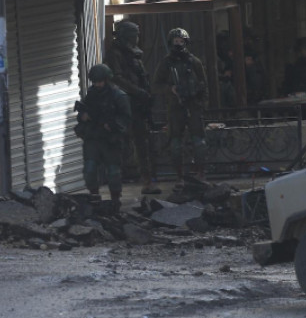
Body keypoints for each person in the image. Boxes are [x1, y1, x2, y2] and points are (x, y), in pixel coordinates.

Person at [104, 20, 161, 195]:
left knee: (143, 142)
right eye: (134, 35)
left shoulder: (133, 53)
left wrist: (144, 95)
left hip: (137, 105)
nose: (137, 38)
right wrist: (137, 92)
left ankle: (147, 180)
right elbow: (117, 78)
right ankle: (116, 183)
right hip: (123, 104)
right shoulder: (115, 54)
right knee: (122, 144)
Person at [153, 28, 208, 187]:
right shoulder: (166, 63)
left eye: (181, 41)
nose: (178, 44)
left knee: (199, 143)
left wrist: (201, 102)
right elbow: (156, 85)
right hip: (175, 107)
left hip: (193, 105)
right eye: (175, 41)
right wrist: (170, 89)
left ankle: (201, 173)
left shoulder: (194, 61)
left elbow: (204, 84)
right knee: (175, 145)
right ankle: (179, 177)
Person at [75, 64, 131, 210]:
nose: (97, 85)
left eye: (100, 81)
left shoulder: (118, 96)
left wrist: (112, 125)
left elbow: (126, 118)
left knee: (113, 172)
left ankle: (115, 200)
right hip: (93, 137)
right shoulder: (91, 95)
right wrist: (83, 116)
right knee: (90, 169)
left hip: (110, 139)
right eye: (95, 82)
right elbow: (82, 113)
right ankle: (94, 197)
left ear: (106, 80)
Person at [215, 30, 238, 108]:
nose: (224, 45)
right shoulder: (215, 58)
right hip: (222, 84)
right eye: (222, 42)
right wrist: (223, 76)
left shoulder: (231, 56)